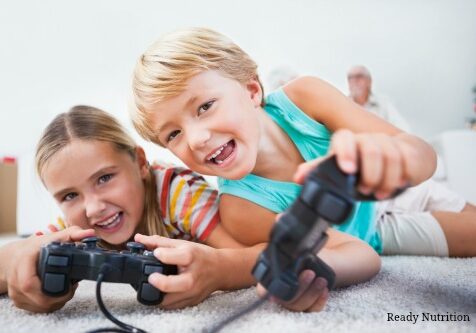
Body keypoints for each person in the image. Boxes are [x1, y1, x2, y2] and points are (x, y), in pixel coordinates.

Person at [130, 27, 476, 261]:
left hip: (404, 191)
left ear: (252, 91)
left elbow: (422, 156)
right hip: (375, 232)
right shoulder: (239, 210)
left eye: (205, 107)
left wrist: (397, 159)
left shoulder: (305, 96)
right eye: (172, 134)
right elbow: (343, 254)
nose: (197, 138)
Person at [0, 105, 380, 314]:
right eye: (69, 196)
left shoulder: (175, 191)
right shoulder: (75, 228)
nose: (93, 208)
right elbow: (16, 256)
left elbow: (244, 252)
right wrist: (18, 261)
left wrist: (218, 271)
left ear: (140, 163)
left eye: (104, 179)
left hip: (299, 203)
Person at [347, 65, 411, 132]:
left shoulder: (384, 103)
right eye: (350, 77)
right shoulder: (345, 105)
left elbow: (402, 128)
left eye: (359, 76)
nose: (354, 80)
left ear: (369, 81)